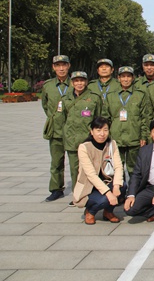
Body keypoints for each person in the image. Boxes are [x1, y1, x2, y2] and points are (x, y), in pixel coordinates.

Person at [72, 117, 126, 225]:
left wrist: (116, 186)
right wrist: (108, 193)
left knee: (122, 186)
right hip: (89, 187)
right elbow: (91, 175)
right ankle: (90, 212)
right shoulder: (84, 148)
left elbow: (118, 167)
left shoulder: (112, 144)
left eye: (105, 130)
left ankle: (108, 212)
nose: (102, 134)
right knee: (104, 199)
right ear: (91, 132)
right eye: (98, 130)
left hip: (106, 181)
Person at [62, 71, 103, 203]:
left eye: (82, 80)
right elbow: (62, 118)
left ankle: (93, 194)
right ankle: (78, 195)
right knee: (75, 169)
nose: (79, 83)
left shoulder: (94, 97)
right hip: (72, 139)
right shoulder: (66, 98)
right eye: (76, 81)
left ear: (86, 82)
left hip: (88, 140)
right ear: (72, 82)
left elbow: (99, 118)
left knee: (92, 168)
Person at [103, 66, 150, 175]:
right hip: (116, 137)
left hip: (134, 137)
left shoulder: (140, 95)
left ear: (133, 78)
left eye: (128, 76)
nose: (126, 79)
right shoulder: (111, 96)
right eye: (123, 76)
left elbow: (144, 118)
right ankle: (120, 189)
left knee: (134, 168)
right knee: (117, 167)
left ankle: (133, 189)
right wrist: (106, 136)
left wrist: (143, 136)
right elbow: (106, 118)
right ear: (118, 78)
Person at [41, 55, 71, 202]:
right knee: (56, 162)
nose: (61, 68)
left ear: (68, 66)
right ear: (53, 67)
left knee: (77, 164)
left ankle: (80, 191)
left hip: (73, 130)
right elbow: (46, 106)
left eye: (63, 65)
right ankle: (56, 189)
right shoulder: (48, 85)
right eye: (58, 65)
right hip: (56, 129)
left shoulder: (76, 83)